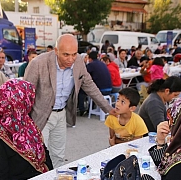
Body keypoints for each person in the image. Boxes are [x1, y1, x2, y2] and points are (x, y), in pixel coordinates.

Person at [24, 34, 114, 168]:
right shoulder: (38, 63)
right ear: (56, 51)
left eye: (74, 54)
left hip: (61, 114)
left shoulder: (78, 62)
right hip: (40, 116)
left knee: (58, 155)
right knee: (37, 156)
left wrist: (109, 109)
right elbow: (25, 94)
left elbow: (89, 85)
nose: (71, 59)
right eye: (66, 55)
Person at [78, 51, 112, 116]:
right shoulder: (102, 63)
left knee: (82, 92)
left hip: (101, 90)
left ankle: (82, 110)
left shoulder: (91, 65)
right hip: (109, 88)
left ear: (90, 58)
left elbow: (83, 75)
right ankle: (91, 108)